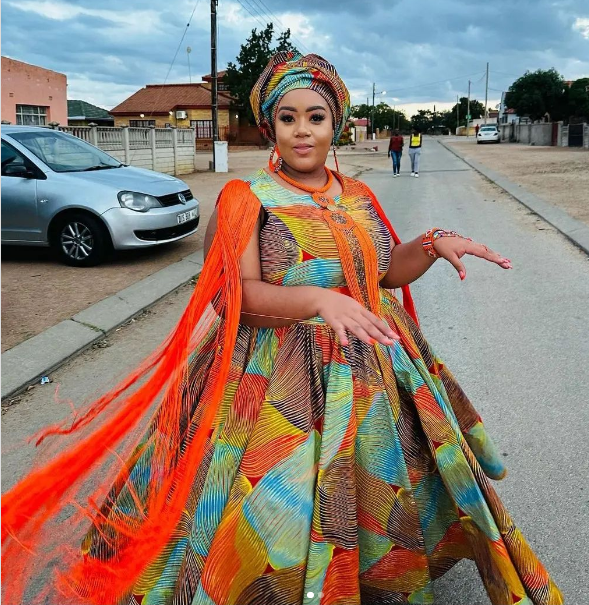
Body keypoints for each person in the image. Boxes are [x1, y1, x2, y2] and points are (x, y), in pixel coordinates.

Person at [2, 52, 563, 605]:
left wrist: (432, 244)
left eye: (315, 117)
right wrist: (318, 300)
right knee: (269, 501)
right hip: (273, 376)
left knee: (381, 483)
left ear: (334, 124)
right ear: (271, 124)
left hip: (373, 365)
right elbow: (233, 296)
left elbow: (385, 271)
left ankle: (370, 574)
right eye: (287, 117)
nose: (301, 131)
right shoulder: (246, 199)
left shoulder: (359, 196)